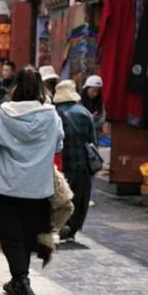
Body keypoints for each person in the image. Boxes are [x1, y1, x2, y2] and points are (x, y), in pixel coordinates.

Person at [0, 66, 63, 295]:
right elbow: (59, 145)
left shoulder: (2, 116)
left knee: (11, 236)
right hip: (38, 187)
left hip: (7, 185)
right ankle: (20, 280)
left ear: (14, 87)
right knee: (28, 235)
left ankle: (22, 281)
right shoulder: (52, 116)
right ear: (41, 88)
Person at [54, 79, 96, 242]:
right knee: (80, 197)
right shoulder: (85, 113)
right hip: (82, 165)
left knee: (62, 198)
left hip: (62, 164)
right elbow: (93, 140)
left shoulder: (55, 114)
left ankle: (61, 226)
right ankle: (72, 231)